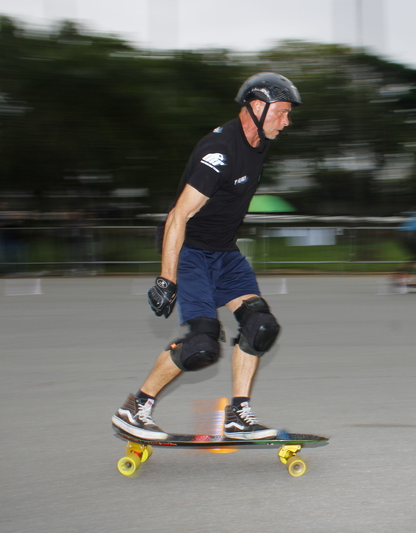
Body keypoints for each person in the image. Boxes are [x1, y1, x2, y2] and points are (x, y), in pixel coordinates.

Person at [112, 72, 301, 440]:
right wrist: (167, 279)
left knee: (260, 326)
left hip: (225, 252)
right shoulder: (218, 152)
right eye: (282, 112)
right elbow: (178, 216)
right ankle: (135, 408)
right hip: (192, 252)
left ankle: (238, 417)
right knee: (201, 346)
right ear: (256, 107)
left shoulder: (260, 143)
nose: (286, 121)